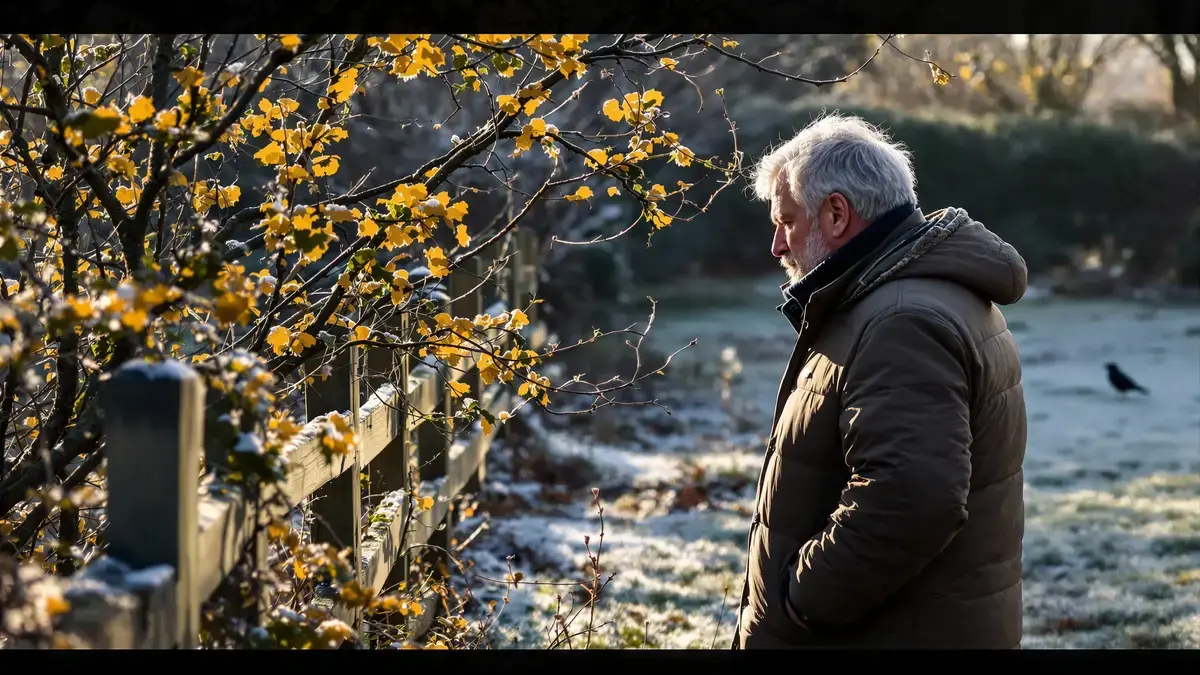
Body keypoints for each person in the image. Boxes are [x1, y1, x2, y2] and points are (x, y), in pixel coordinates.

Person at [731, 113, 1028, 649]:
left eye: (788, 221)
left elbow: (913, 498)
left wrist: (801, 602)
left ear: (837, 213)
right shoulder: (898, 300)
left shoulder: (900, 320)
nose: (777, 245)